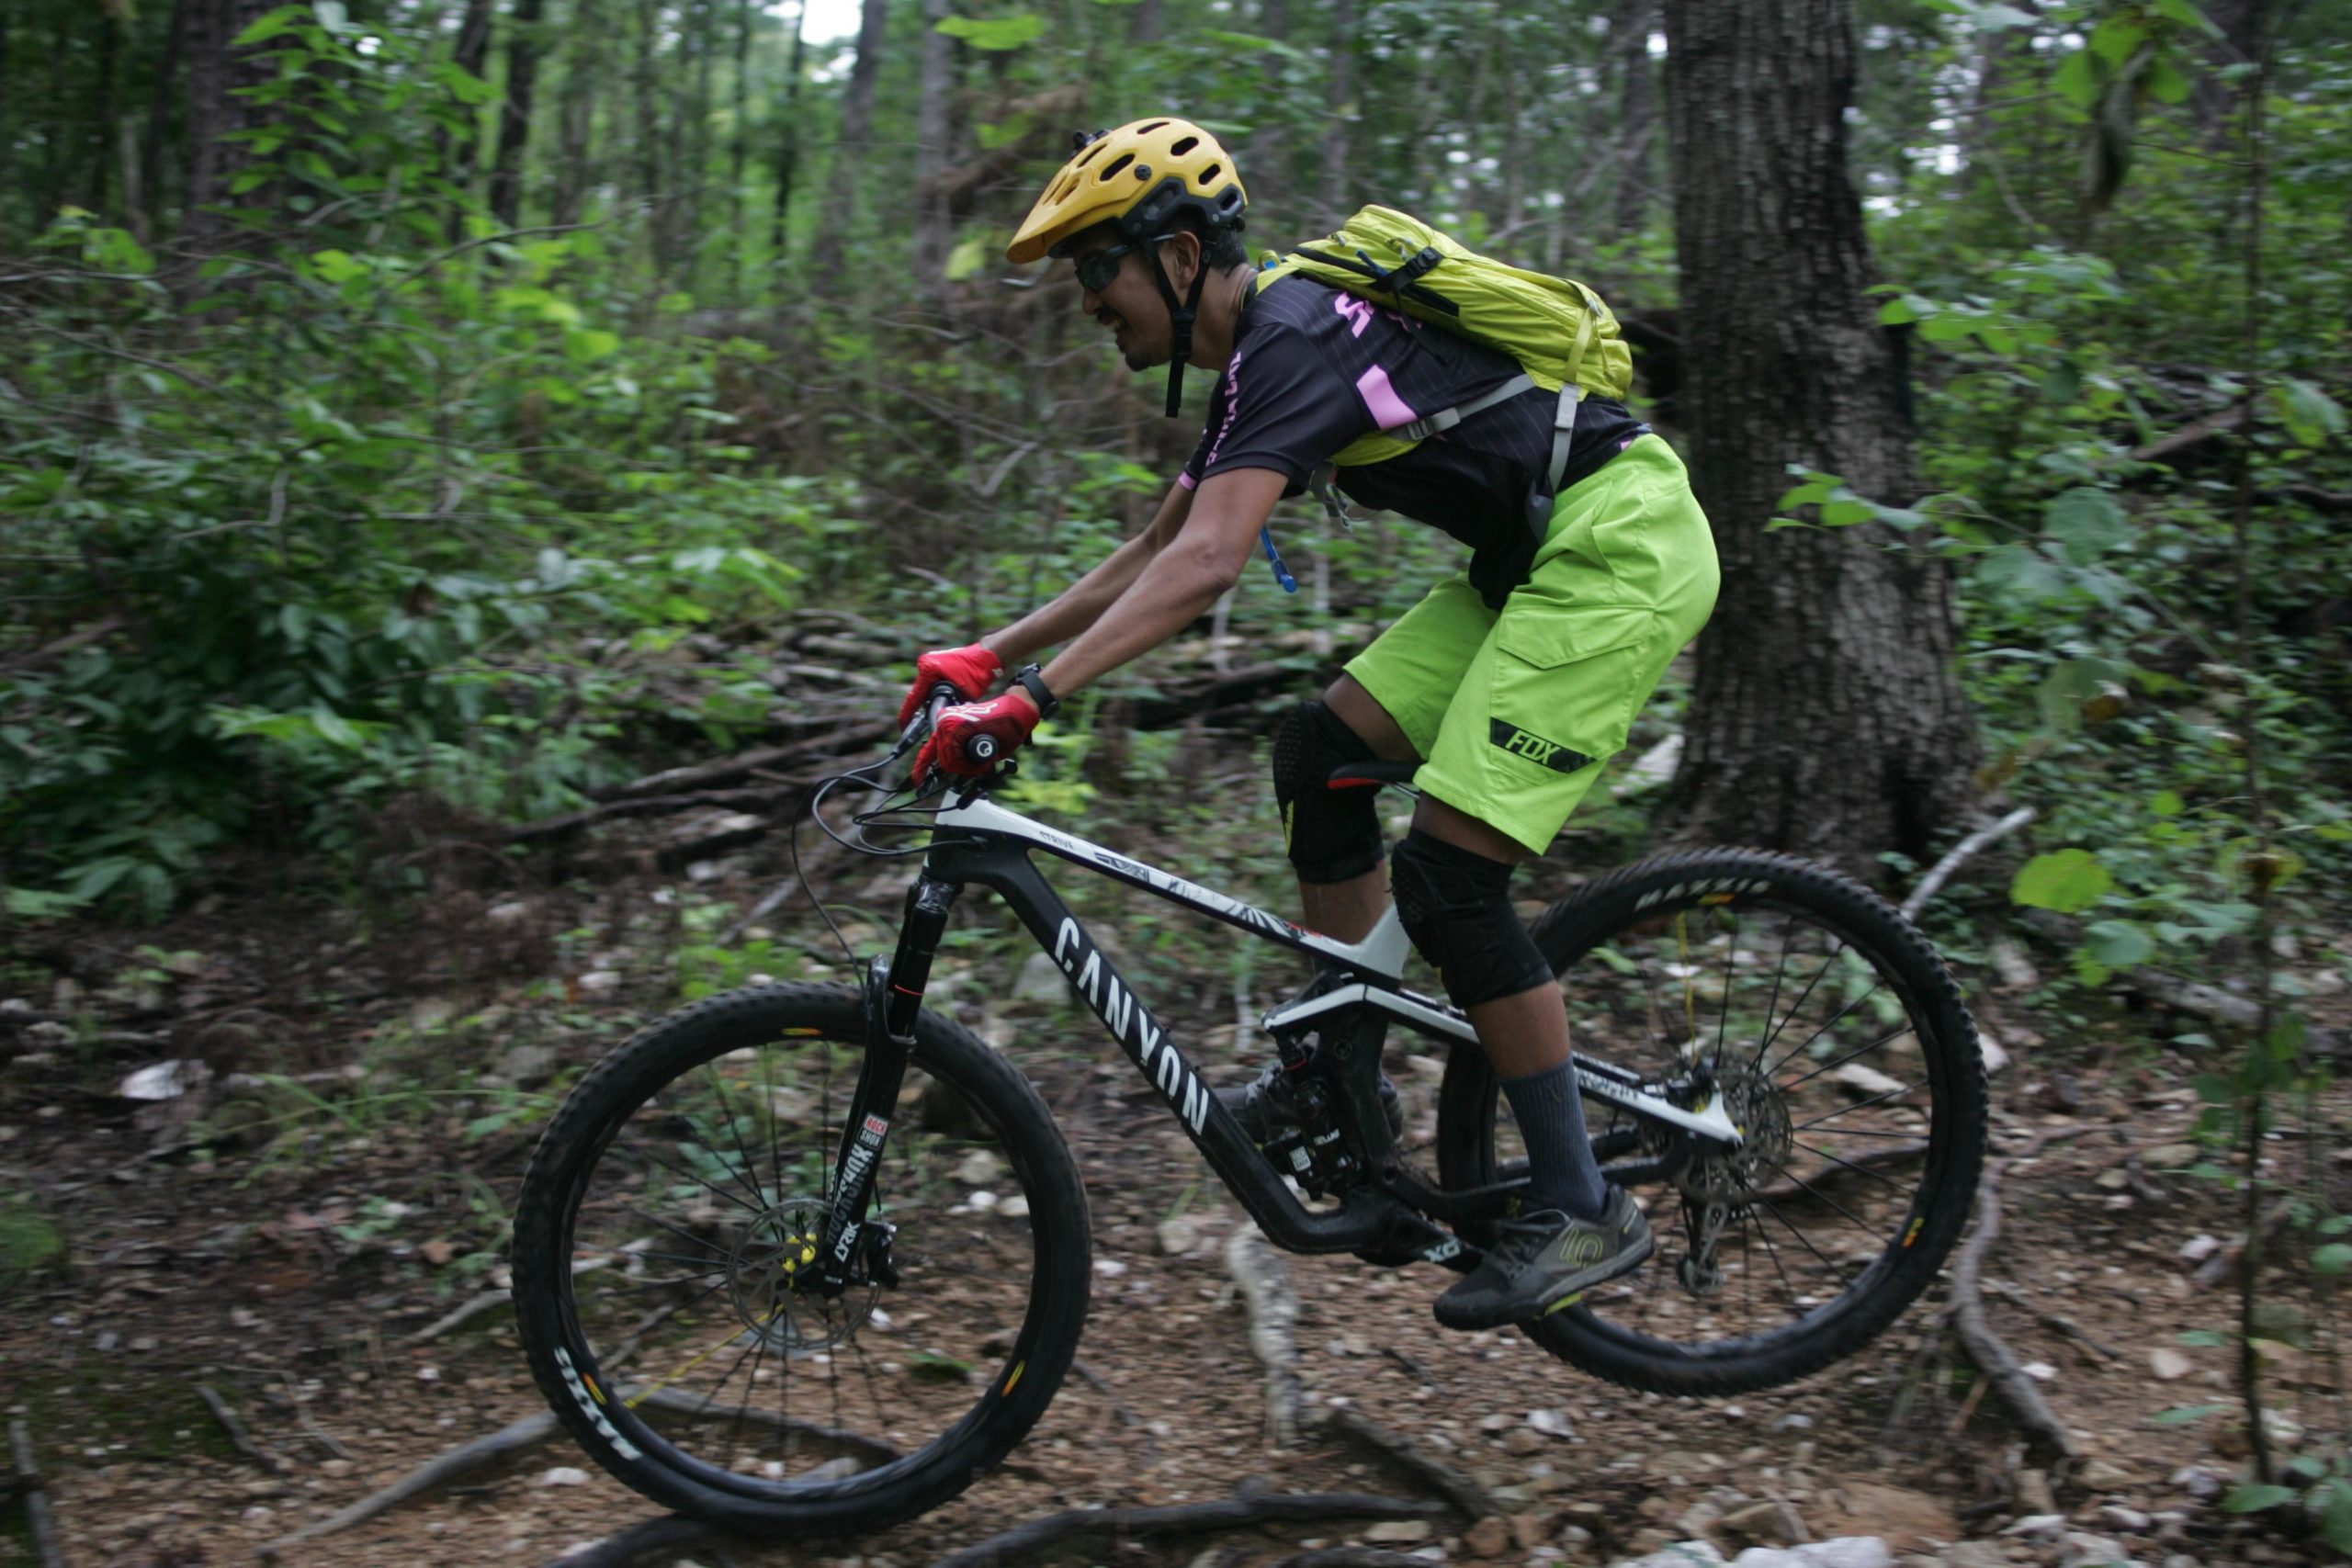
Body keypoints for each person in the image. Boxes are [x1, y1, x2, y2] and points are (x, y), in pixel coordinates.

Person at [895, 118, 1719, 1330]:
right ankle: (1344, 1084)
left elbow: (1209, 565)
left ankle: (1580, 1202)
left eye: (1098, 268)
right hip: (1532, 558)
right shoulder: (1268, 347)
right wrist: (989, 656)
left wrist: (1027, 705)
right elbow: (1163, 542)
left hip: (1618, 548)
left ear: (1181, 258)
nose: (1087, 300)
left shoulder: (1288, 336)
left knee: (1450, 878)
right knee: (1322, 755)